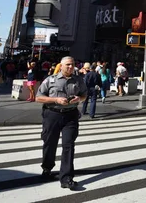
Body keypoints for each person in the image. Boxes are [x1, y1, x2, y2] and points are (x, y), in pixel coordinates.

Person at [36, 56, 87, 190]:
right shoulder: (50, 80)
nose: (71, 67)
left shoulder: (78, 80)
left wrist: (78, 99)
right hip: (52, 114)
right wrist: (56, 100)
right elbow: (38, 97)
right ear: (61, 65)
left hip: (70, 115)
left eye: (73, 65)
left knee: (68, 145)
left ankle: (66, 178)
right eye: (68, 65)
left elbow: (84, 95)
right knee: (49, 143)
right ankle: (47, 167)